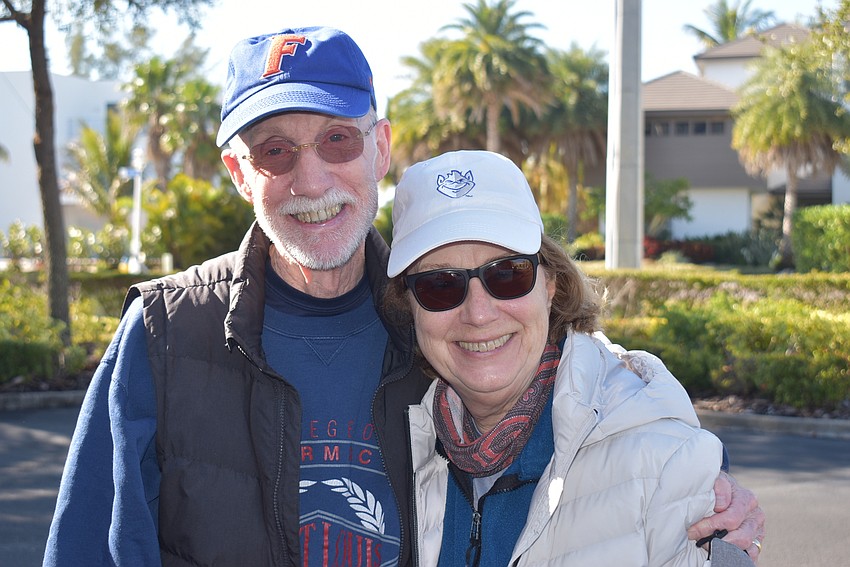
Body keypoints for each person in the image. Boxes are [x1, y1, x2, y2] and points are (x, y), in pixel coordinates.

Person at [43, 26, 763, 567]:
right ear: (239, 171)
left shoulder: (433, 323)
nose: (312, 179)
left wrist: (699, 476)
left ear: (381, 149)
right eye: (275, 151)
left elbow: (590, 398)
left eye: (336, 140)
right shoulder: (165, 332)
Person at [383, 149, 763, 566]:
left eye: (507, 274)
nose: (478, 313)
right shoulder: (398, 441)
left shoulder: (665, 463)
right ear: (410, 307)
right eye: (440, 285)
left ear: (551, 285)